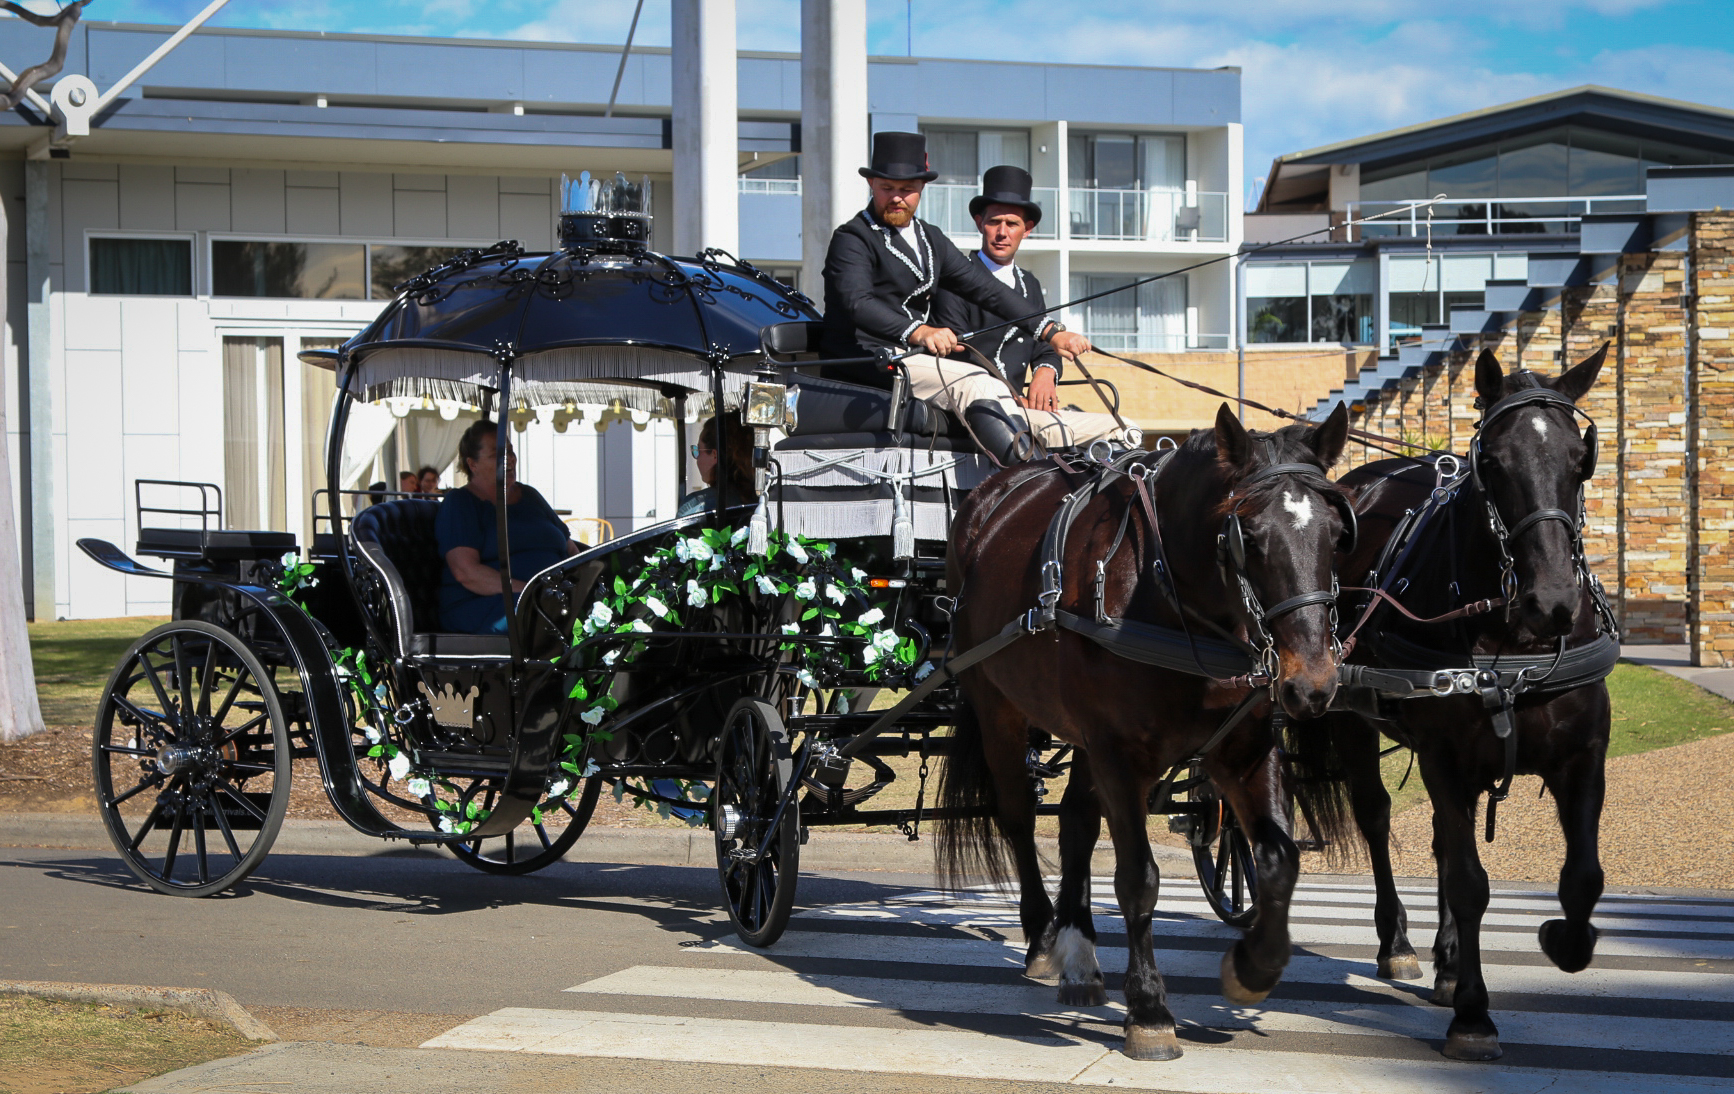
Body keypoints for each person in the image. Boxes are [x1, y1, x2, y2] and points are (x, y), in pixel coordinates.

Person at [820, 131, 1126, 463]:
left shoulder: (929, 238)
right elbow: (857, 303)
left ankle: (1066, 442)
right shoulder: (852, 238)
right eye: (887, 188)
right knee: (977, 383)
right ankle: (1026, 481)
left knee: (1121, 428)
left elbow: (985, 288)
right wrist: (919, 332)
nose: (897, 198)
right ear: (872, 185)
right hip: (868, 360)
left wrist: (1051, 332)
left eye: (906, 190)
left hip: (913, 361)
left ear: (921, 188)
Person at [931, 165, 1073, 418]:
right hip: (974, 410)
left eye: (1012, 224)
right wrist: (1009, 397)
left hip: (1021, 411)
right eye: (994, 222)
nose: (1002, 233)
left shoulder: (1030, 284)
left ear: (1027, 229)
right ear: (979, 223)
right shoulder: (954, 281)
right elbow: (957, 353)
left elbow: (1045, 345)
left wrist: (1045, 372)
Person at [435, 419, 579, 634]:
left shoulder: (530, 495)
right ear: (472, 464)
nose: (509, 458)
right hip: (485, 605)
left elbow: (570, 548)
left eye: (510, 451)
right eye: (497, 454)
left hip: (549, 596)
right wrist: (533, 590)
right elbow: (466, 572)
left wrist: (582, 581)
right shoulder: (461, 503)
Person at [676, 416, 757, 517]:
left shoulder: (694, 506)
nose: (697, 459)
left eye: (698, 451)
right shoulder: (762, 500)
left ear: (715, 455)